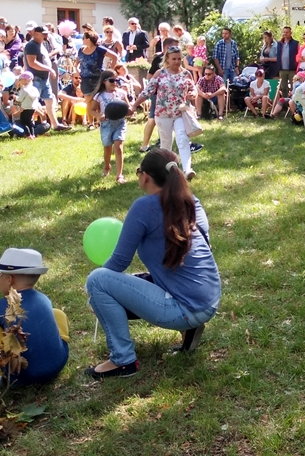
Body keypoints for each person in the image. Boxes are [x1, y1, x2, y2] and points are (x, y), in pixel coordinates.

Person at [85, 149, 221, 378]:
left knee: (97, 281)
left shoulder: (144, 207)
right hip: (209, 298)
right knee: (110, 285)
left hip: (187, 306)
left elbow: (118, 262)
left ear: (145, 176)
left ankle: (123, 361)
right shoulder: (190, 201)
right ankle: (190, 328)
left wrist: (96, 292)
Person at [0, 248, 69, 386]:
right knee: (57, 313)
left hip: (22, 376)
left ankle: (4, 375)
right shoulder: (44, 299)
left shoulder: (0, 306)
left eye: (0, 275)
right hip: (58, 365)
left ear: (9, 279)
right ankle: (53, 352)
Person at [132, 45, 198, 180]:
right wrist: (134, 106)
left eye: (179, 58)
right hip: (163, 114)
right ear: (167, 59)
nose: (177, 61)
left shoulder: (186, 74)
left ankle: (187, 170)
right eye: (174, 59)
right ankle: (166, 171)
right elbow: (147, 92)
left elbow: (193, 89)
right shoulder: (160, 73)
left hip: (180, 113)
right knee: (166, 144)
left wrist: (193, 94)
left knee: (183, 139)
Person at [23, 25, 69, 131]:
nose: (46, 35)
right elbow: (32, 63)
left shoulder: (41, 44)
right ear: (36, 34)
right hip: (36, 78)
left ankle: (56, 125)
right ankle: (29, 126)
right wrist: (49, 69)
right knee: (32, 103)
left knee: (49, 101)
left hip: (44, 78)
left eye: (46, 33)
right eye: (43, 34)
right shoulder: (31, 46)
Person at [94, 69, 128, 183]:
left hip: (120, 122)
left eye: (116, 80)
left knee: (118, 147)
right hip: (106, 124)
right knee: (107, 147)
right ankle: (107, 166)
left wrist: (130, 110)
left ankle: (119, 175)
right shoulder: (99, 96)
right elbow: (91, 110)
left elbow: (127, 107)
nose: (115, 83)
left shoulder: (121, 93)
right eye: (111, 80)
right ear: (104, 81)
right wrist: (99, 115)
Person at [76, 30, 115, 124]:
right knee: (88, 101)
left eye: (83, 38)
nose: (82, 40)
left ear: (89, 39)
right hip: (85, 79)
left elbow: (115, 57)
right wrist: (77, 70)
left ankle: (100, 120)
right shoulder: (81, 50)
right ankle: (91, 123)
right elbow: (76, 63)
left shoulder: (99, 49)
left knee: (99, 100)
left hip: (98, 79)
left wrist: (110, 71)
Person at [276, 26, 299, 100]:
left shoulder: (296, 43)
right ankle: (285, 102)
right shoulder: (279, 43)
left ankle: (294, 101)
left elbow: (299, 55)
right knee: (283, 87)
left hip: (292, 69)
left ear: (291, 33)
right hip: (282, 69)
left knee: (293, 86)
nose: (285, 34)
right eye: (284, 32)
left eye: (287, 32)